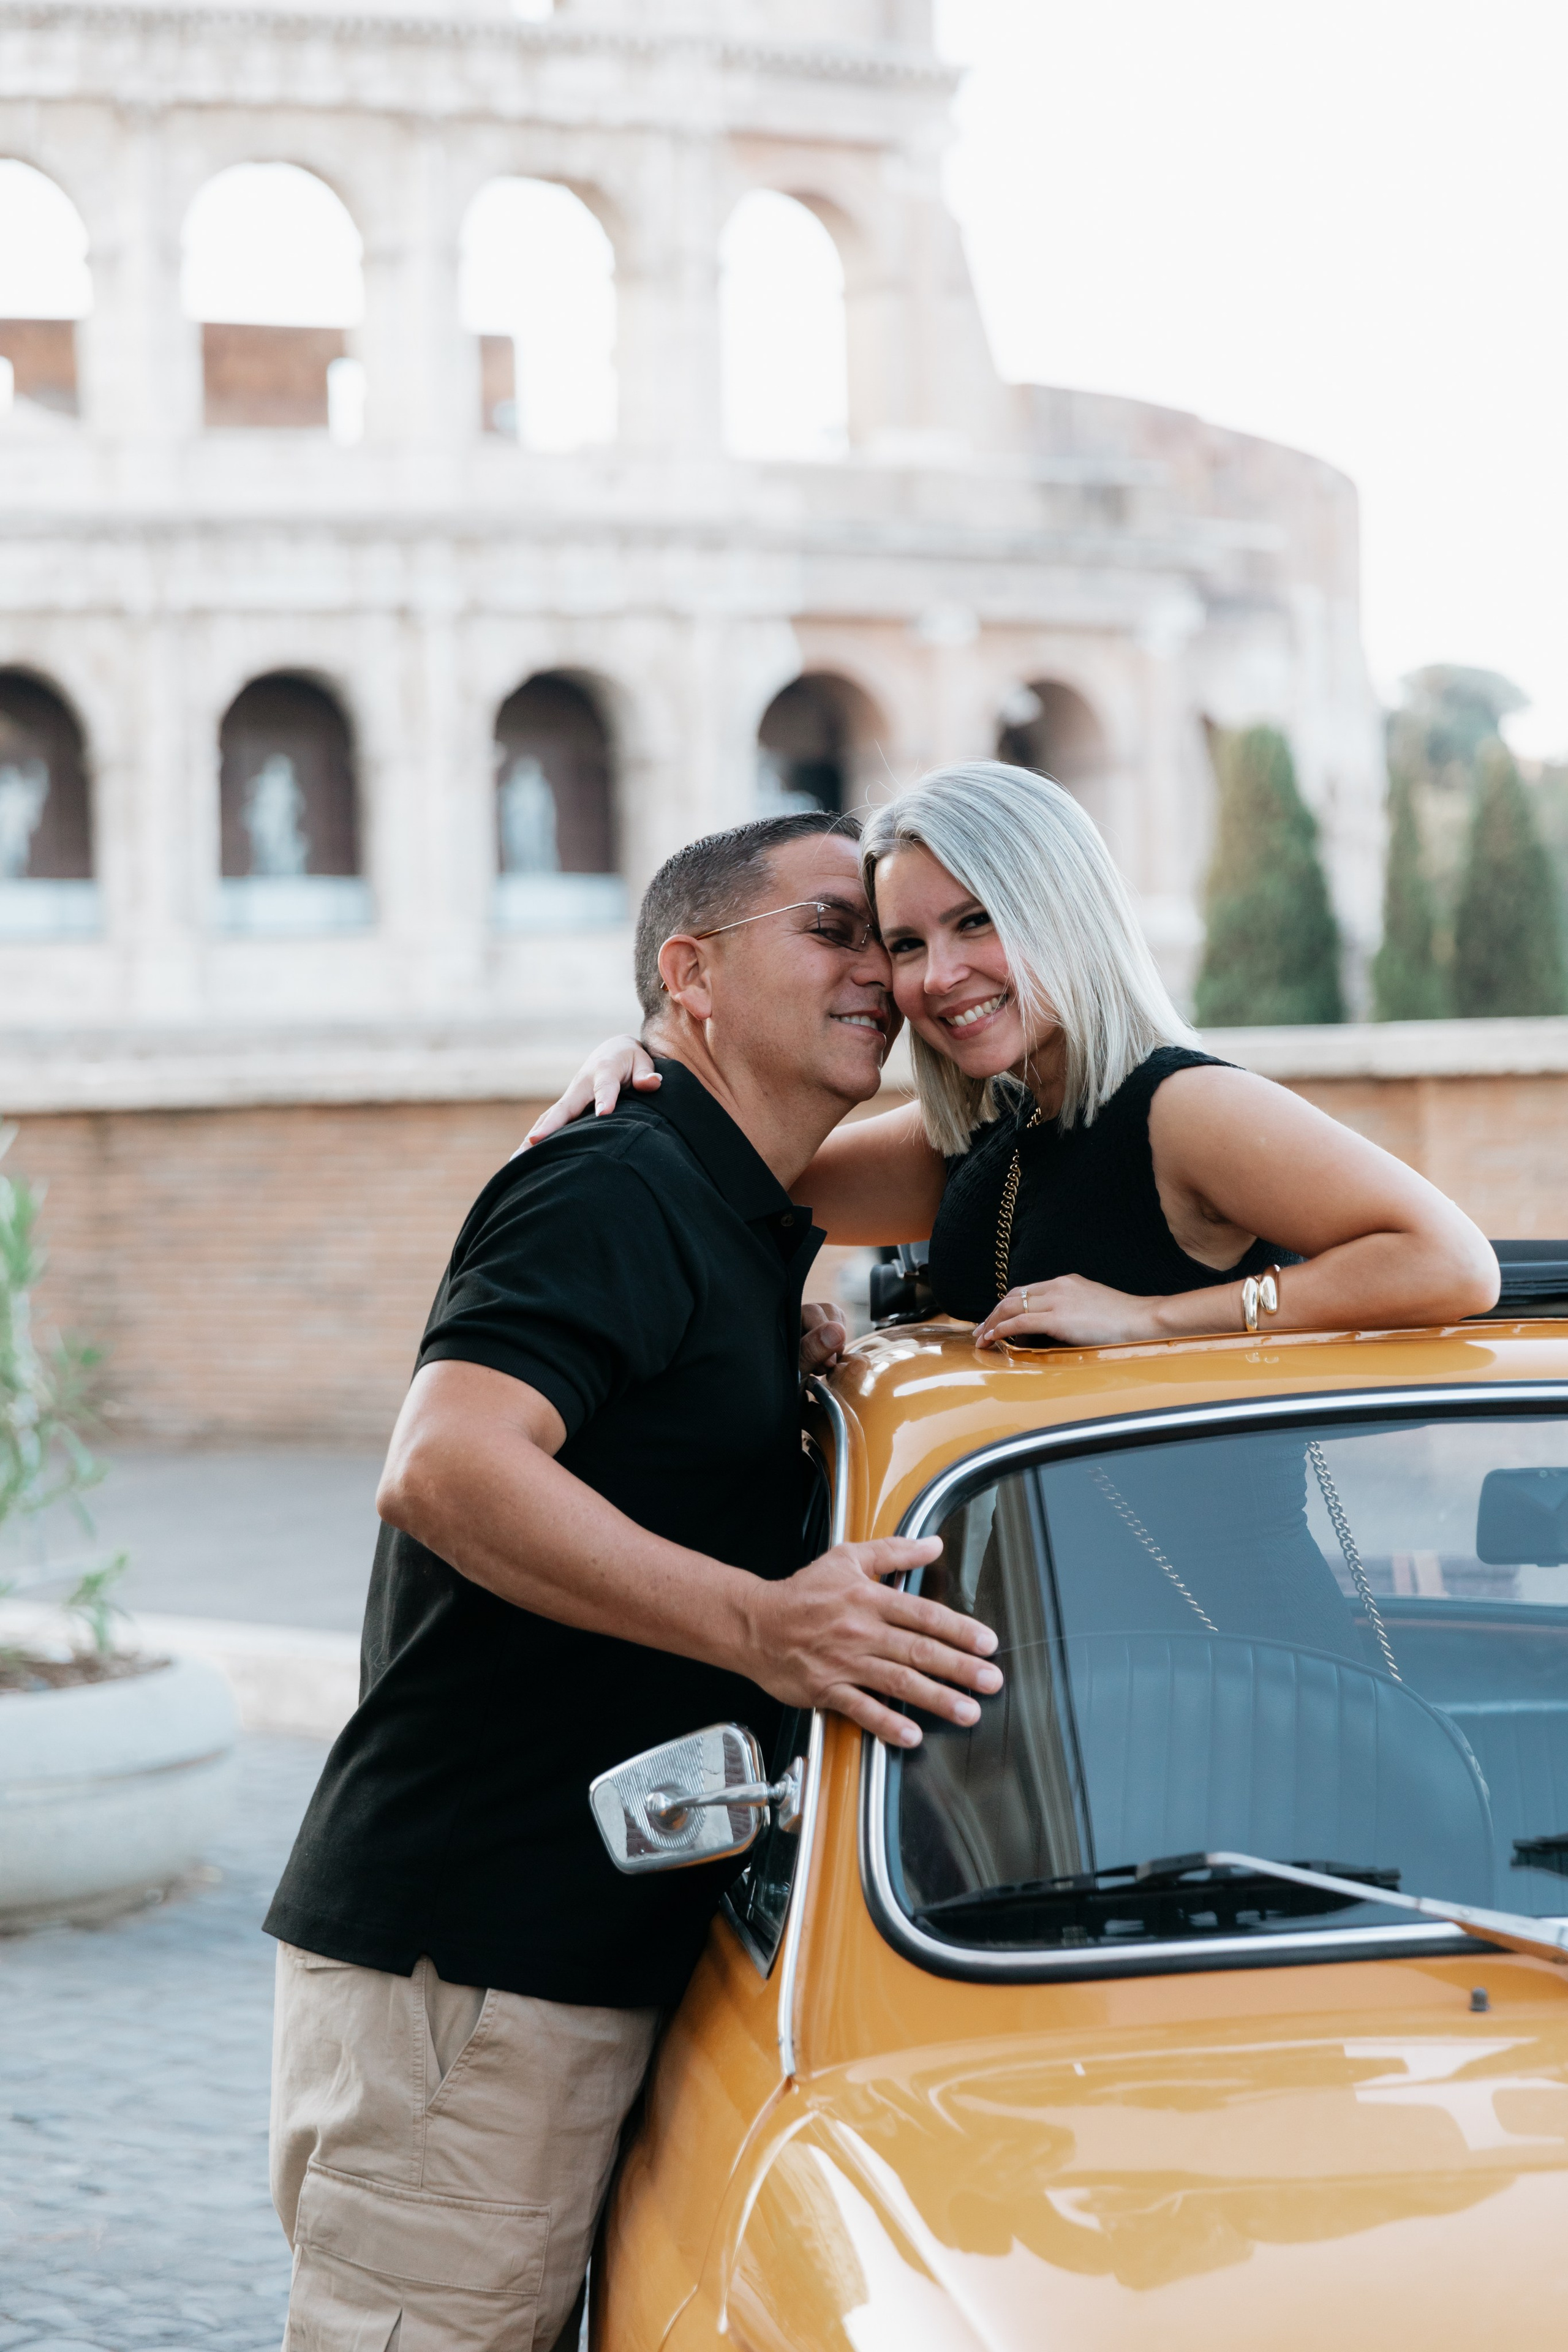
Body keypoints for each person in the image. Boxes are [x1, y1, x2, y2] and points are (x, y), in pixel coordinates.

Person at [263, 809, 1002, 2352]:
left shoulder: (729, 1201)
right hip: (470, 1968)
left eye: (888, 935)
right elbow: (445, 1463)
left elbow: (1050, 1138)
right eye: (831, 929)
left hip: (587, 1952)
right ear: (691, 973)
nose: (879, 968)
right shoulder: (616, 1181)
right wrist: (767, 1626)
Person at [527, 761, 1499, 1341]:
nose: (938, 976)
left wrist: (1146, 1320)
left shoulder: (1182, 1108)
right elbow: (731, 1184)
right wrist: (647, 1057)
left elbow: (1450, 1264)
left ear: (1064, 913)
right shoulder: (988, 1132)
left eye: (977, 922)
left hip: (1214, 1629)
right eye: (906, 943)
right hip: (1049, 1625)